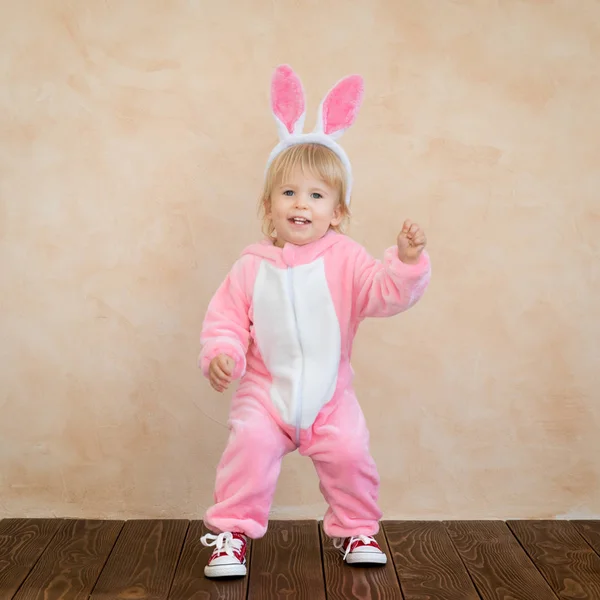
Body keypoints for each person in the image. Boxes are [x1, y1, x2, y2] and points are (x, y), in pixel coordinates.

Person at [197, 65, 431, 578]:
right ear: (268, 206)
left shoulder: (346, 260)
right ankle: (231, 535)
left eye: (316, 195)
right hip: (266, 393)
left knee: (350, 454)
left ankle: (357, 531)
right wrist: (224, 355)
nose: (301, 203)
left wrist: (407, 262)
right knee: (248, 449)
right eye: (288, 193)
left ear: (337, 212)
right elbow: (226, 321)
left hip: (330, 397)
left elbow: (385, 293)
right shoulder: (251, 266)